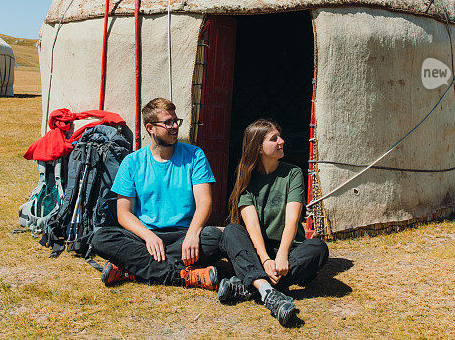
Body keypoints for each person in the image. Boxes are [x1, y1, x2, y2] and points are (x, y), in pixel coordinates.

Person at [90, 97, 222, 289]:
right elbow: (123, 213)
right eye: (168, 122)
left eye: (176, 121)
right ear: (150, 128)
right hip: (145, 237)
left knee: (216, 237)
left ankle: (131, 268)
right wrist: (149, 237)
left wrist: (193, 234)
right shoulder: (132, 162)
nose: (175, 126)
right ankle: (182, 276)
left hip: (183, 236)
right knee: (101, 238)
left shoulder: (195, 155)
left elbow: (205, 203)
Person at [218, 119, 329, 327]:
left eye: (280, 136)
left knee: (318, 248)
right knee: (232, 231)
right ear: (258, 148)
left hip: (288, 251)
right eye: (274, 138)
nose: (282, 141)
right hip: (259, 252)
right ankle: (267, 291)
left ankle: (250, 285)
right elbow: (251, 226)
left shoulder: (292, 173)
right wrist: (266, 259)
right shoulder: (247, 179)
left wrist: (282, 255)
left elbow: (292, 220)